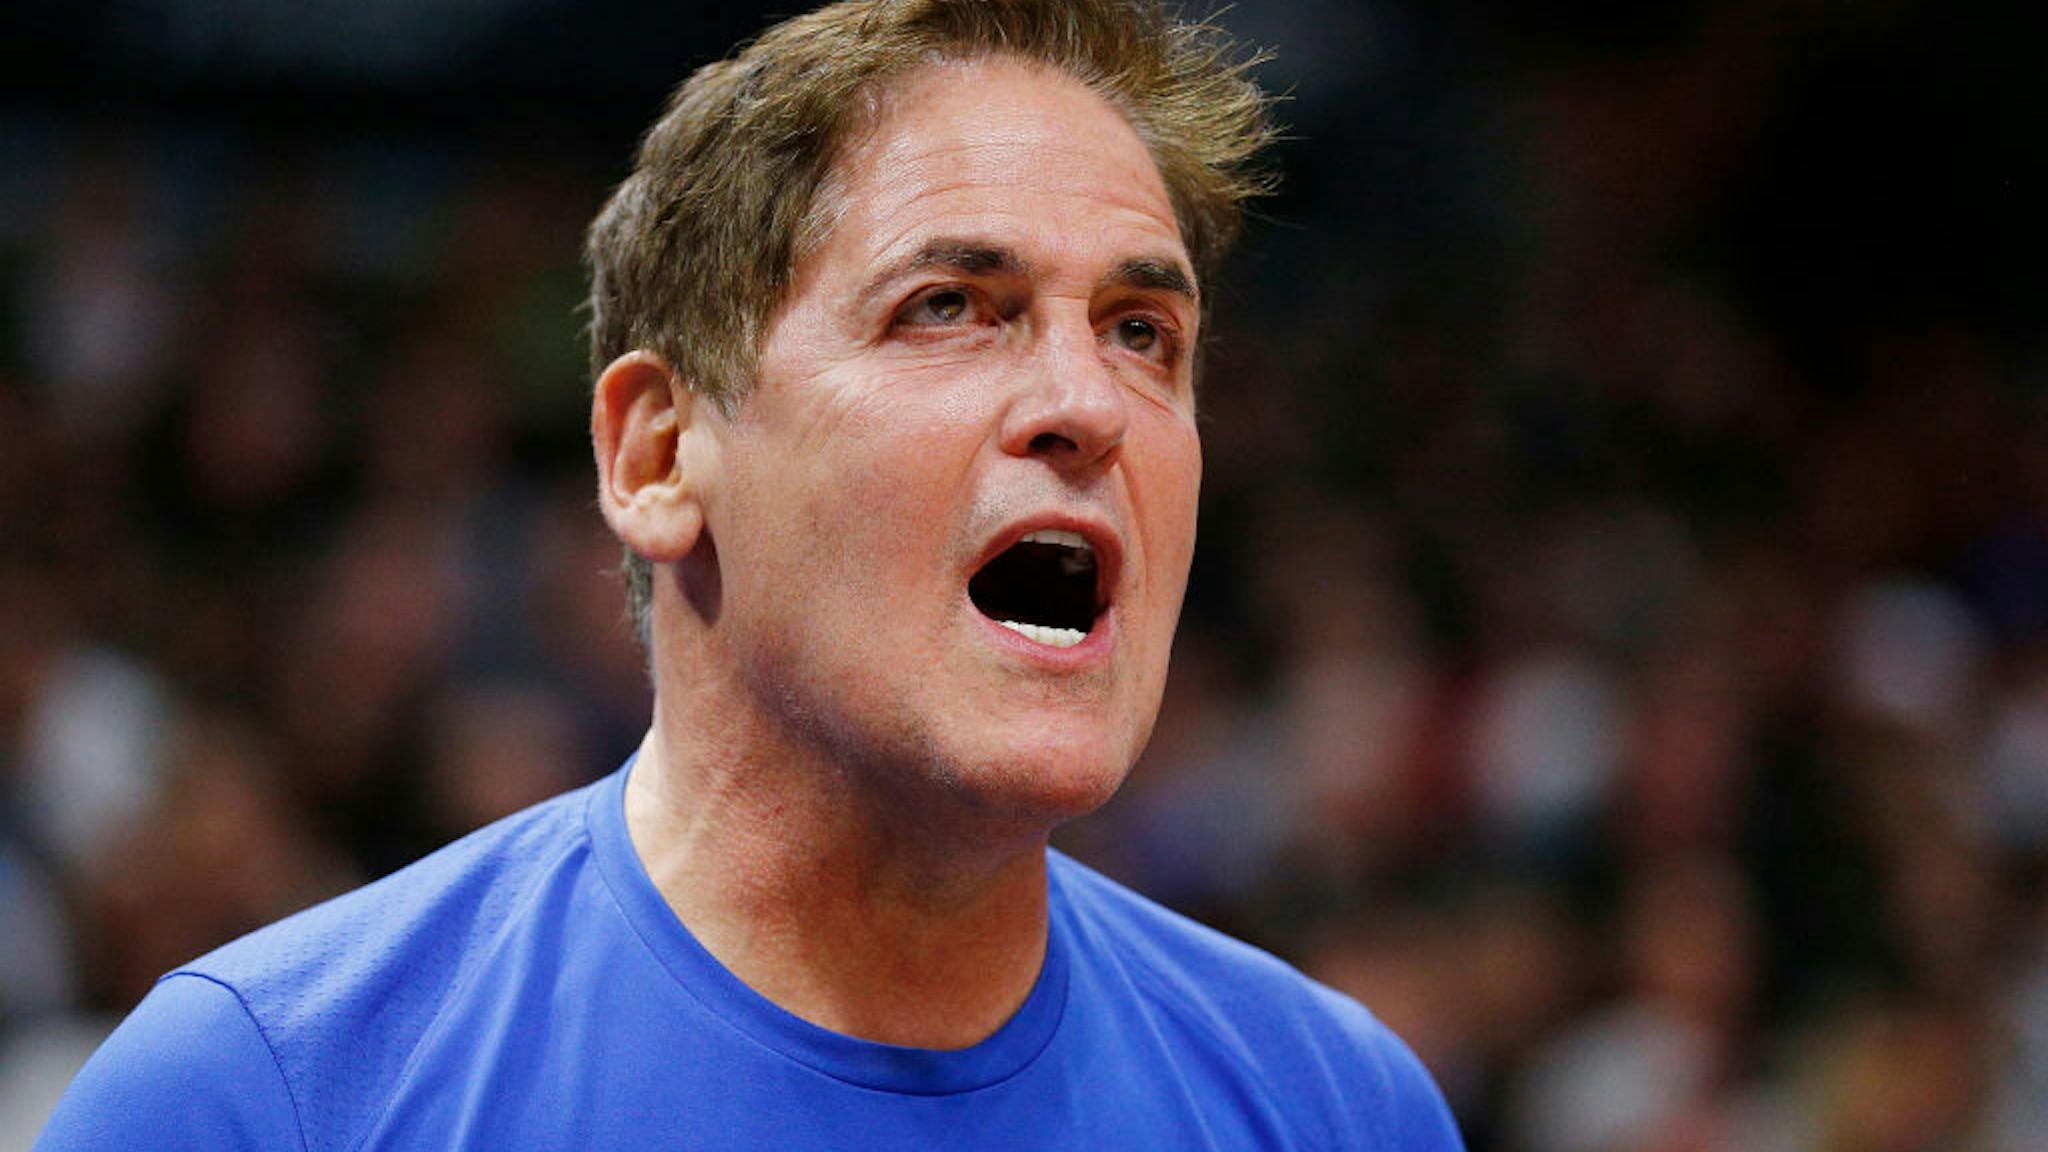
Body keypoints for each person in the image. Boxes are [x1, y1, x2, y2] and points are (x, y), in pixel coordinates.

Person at [37, 1, 1466, 1147]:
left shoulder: (1339, 1107)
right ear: (659, 455)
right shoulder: (268, 1096)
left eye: (1144, 331)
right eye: (952, 307)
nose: (1089, 404)